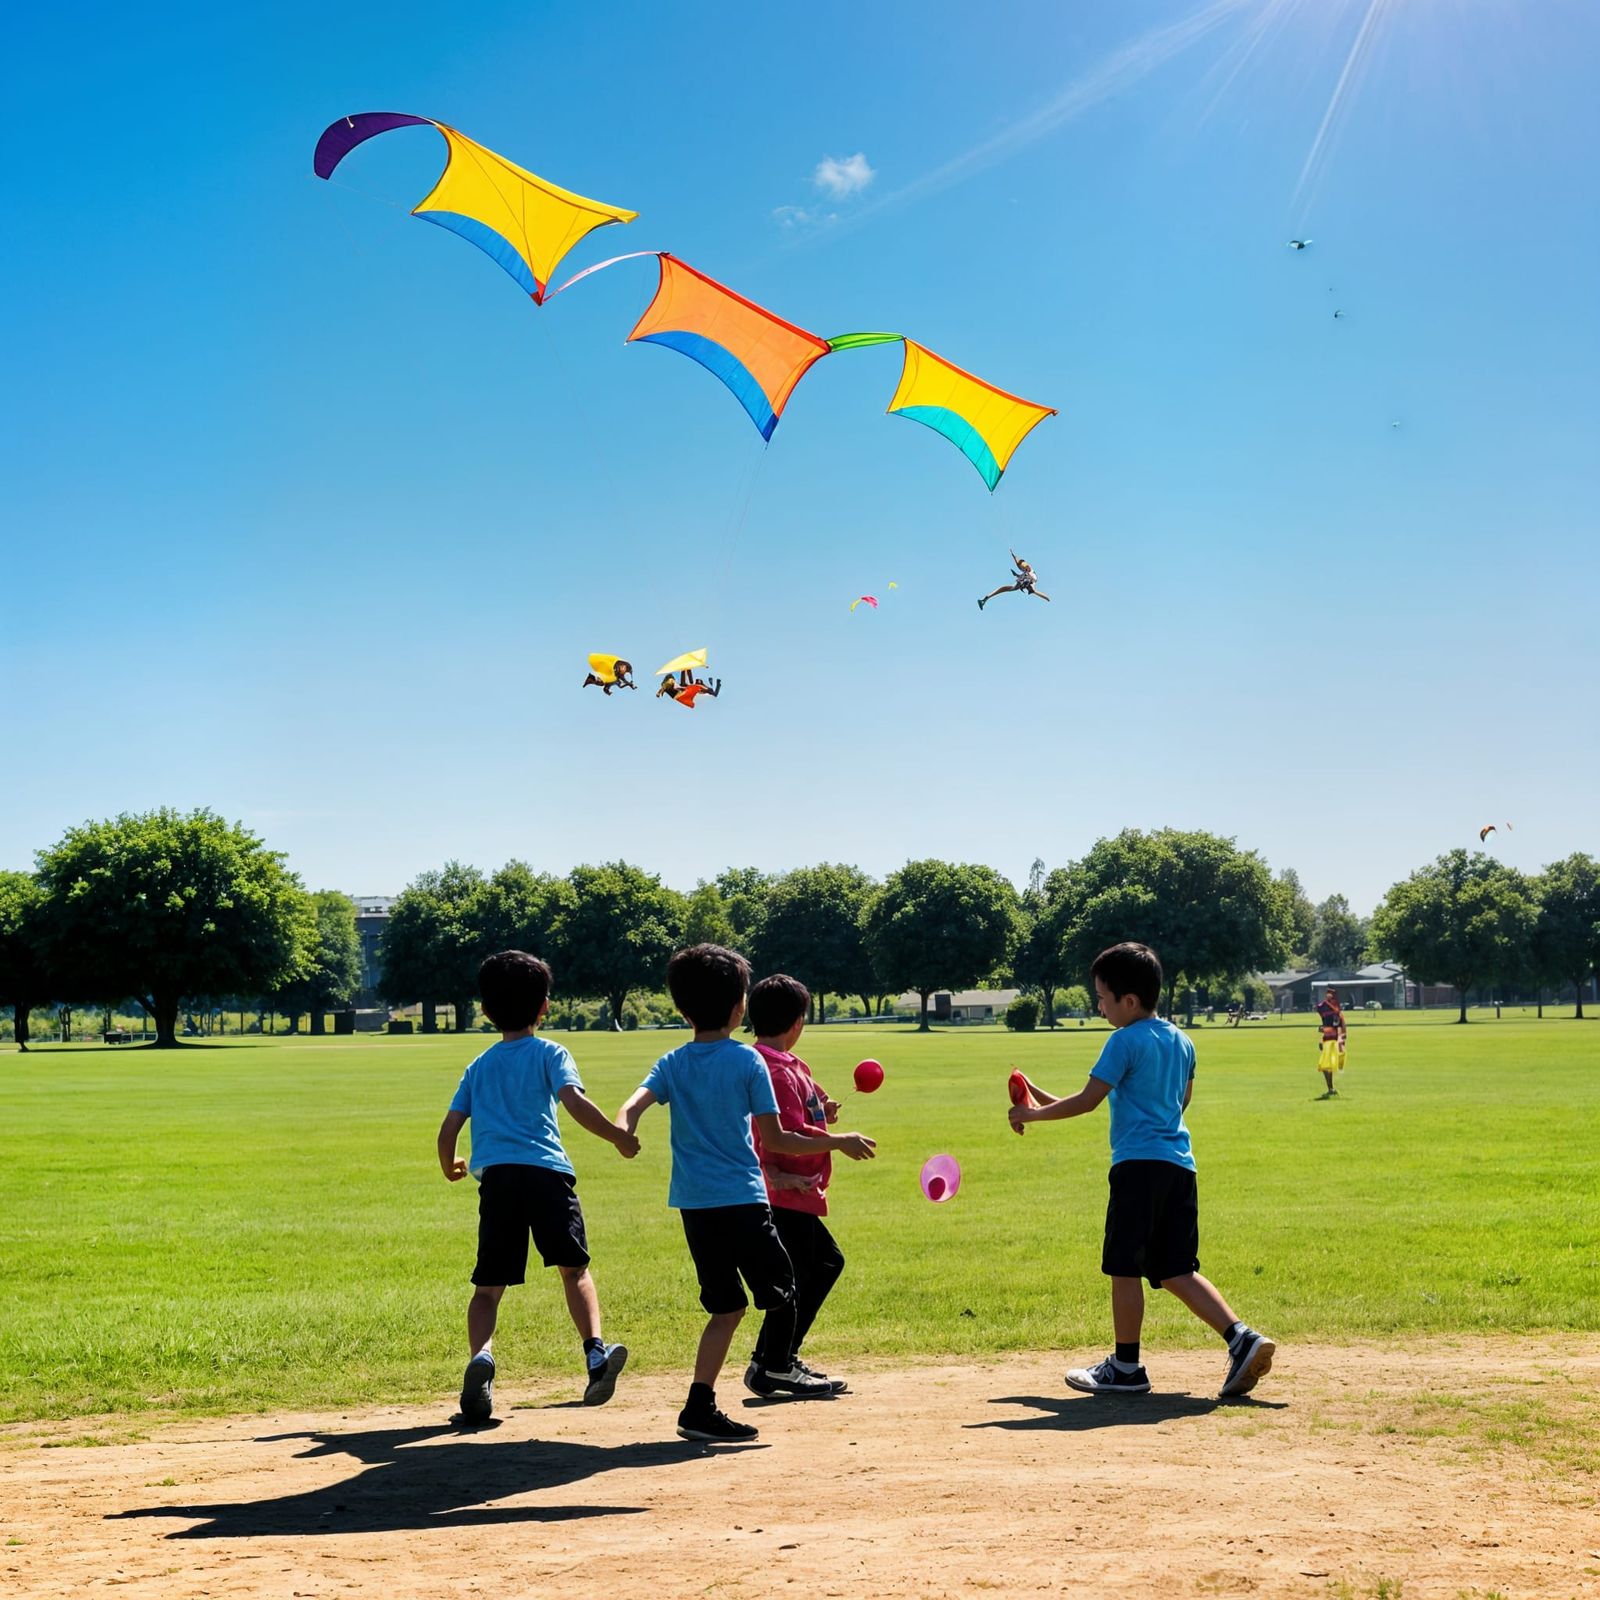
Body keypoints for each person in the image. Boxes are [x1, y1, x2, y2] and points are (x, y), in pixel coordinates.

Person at [616, 944, 877, 1443]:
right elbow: (776, 1139)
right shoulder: (747, 1063)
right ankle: (775, 1366)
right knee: (784, 1291)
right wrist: (837, 1140)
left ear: (681, 1008)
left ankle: (699, 1407)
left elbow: (634, 1103)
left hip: (695, 1205)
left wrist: (625, 1129)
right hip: (742, 1200)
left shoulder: (672, 1062)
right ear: (740, 1006)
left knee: (727, 1308)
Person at [1008, 941, 1275, 1399]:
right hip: (1178, 1168)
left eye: (1103, 998)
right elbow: (1172, 1101)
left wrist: (1028, 1115)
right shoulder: (1181, 1040)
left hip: (1136, 1171)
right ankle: (1242, 1338)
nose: (1099, 1005)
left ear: (1128, 1002)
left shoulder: (1122, 1040)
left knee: (1124, 1269)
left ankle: (1126, 1367)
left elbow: (1088, 1102)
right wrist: (1037, 1094)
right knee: (1177, 1269)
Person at [436, 950, 639, 1424]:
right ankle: (594, 1354)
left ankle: (481, 1358)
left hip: (499, 1181)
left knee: (488, 1288)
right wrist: (617, 1137)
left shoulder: (479, 1066)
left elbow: (448, 1130)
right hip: (547, 1175)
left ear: (485, 1011)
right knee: (575, 1271)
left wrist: (451, 1166)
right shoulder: (551, 1053)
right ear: (545, 1006)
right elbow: (575, 1103)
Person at [748, 973, 858, 1396]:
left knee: (818, 1266)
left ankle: (773, 1359)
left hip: (799, 1189)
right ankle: (774, 1363)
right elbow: (786, 1134)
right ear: (797, 1022)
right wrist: (839, 1140)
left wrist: (824, 1109)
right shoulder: (772, 1069)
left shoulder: (793, 1066)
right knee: (806, 1270)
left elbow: (808, 1110)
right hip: (783, 1188)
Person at [977, 548, 1051, 610]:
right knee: (1004, 588)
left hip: (1028, 581)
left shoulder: (1031, 576)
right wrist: (1013, 556)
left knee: (1007, 588)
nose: (1021, 569)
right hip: (1025, 581)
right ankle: (985, 599)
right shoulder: (1025, 570)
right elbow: (1019, 564)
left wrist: (1046, 598)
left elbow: (1032, 582)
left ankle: (985, 600)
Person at [1314, 985, 1347, 1098]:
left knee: (1326, 1066)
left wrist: (1341, 1038)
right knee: (1325, 1067)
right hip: (1328, 1040)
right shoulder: (1326, 1008)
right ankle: (1331, 1088)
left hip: (1332, 1041)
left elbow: (1338, 1026)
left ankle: (1331, 1088)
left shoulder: (1336, 1011)